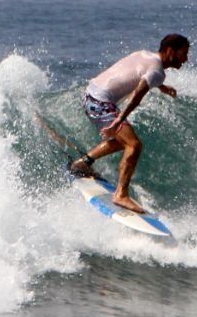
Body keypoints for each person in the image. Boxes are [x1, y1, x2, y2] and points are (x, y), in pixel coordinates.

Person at [69, 34, 190, 214]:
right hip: (101, 103)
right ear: (170, 51)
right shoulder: (157, 72)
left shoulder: (144, 55)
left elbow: (138, 74)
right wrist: (118, 119)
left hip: (90, 95)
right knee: (134, 145)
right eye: (183, 53)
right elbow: (138, 93)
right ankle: (121, 195)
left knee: (124, 140)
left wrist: (161, 86)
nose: (186, 59)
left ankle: (83, 163)